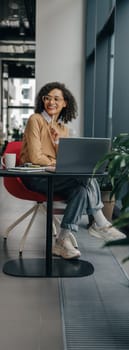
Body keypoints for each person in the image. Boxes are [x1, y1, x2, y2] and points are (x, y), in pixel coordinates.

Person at [20, 81, 125, 259]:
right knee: (83, 177)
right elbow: (36, 158)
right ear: (42, 101)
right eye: (47, 98)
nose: (51, 102)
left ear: (65, 103)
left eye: (56, 99)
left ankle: (61, 241)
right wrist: (56, 163)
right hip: (36, 176)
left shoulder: (63, 129)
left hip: (57, 176)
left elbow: (66, 160)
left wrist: (57, 144)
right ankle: (100, 222)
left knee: (81, 190)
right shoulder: (35, 120)